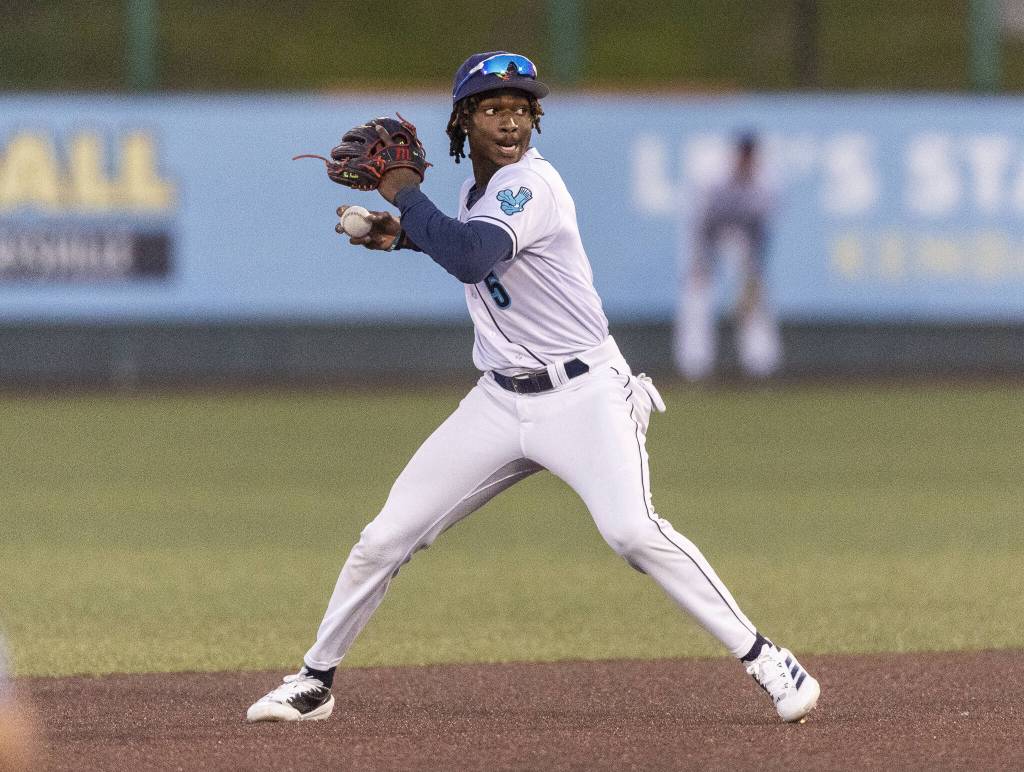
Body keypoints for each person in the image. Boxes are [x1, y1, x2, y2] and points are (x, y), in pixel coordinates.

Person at [247, 52, 819, 724]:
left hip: (583, 397)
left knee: (633, 533)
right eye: (493, 108)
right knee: (385, 536)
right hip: (499, 400)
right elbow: (469, 248)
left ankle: (766, 657)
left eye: (521, 108)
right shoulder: (470, 197)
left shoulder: (531, 187)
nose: (510, 120)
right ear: (464, 120)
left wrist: (401, 189)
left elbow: (469, 254)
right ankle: (315, 680)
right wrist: (399, 237)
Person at [675, 133, 782, 381]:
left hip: (743, 240)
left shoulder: (767, 183)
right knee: (697, 296)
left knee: (754, 298)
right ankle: (694, 367)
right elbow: (698, 225)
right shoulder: (712, 178)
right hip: (708, 236)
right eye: (743, 156)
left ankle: (761, 366)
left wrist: (754, 274)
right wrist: (698, 262)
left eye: (751, 157)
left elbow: (761, 233)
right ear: (736, 156)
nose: (747, 162)